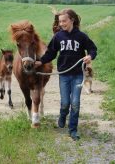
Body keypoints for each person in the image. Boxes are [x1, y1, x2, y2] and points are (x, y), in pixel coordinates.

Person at [35, 8, 97, 141]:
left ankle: (73, 130)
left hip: (78, 75)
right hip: (64, 75)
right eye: (60, 21)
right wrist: (40, 62)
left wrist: (90, 56)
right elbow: (51, 53)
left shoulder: (81, 36)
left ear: (72, 20)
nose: (61, 24)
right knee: (65, 103)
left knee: (75, 103)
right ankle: (63, 115)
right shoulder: (58, 36)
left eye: (64, 21)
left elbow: (92, 48)